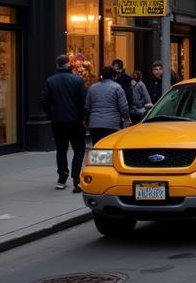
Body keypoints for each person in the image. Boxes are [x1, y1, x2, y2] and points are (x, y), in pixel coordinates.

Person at [39, 55, 88, 193]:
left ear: (57, 65)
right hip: (75, 120)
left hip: (58, 121)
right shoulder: (77, 80)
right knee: (78, 150)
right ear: (69, 64)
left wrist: (51, 113)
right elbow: (84, 101)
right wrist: (83, 116)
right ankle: (76, 179)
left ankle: (62, 178)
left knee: (61, 149)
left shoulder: (51, 81)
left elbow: (43, 101)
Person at [85, 66, 131, 145]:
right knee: (110, 148)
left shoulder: (92, 88)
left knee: (97, 146)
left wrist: (87, 120)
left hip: (95, 124)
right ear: (114, 76)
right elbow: (124, 107)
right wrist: (127, 120)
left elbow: (87, 107)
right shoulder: (117, 88)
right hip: (112, 124)